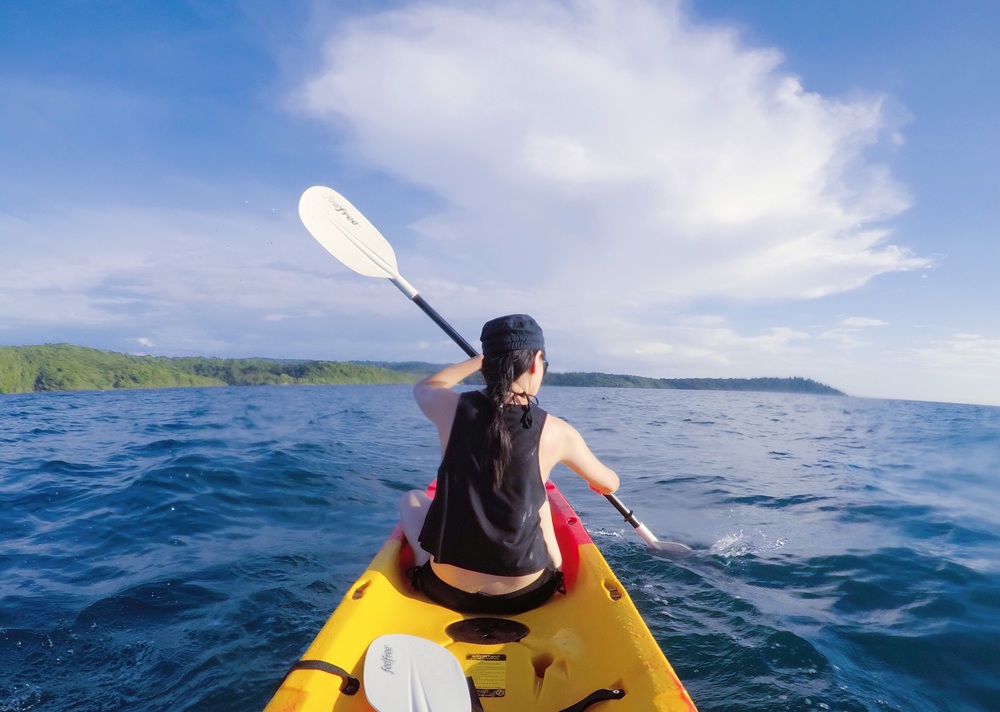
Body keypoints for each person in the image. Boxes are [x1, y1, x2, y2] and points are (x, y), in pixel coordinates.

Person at [399, 314, 619, 615]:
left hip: (447, 590)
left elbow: (427, 386)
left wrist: (480, 360)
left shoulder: (449, 409)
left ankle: (421, 563)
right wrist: (598, 483)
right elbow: (609, 483)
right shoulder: (557, 432)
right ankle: (552, 569)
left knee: (411, 499)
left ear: (487, 365)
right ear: (536, 362)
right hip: (526, 595)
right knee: (541, 500)